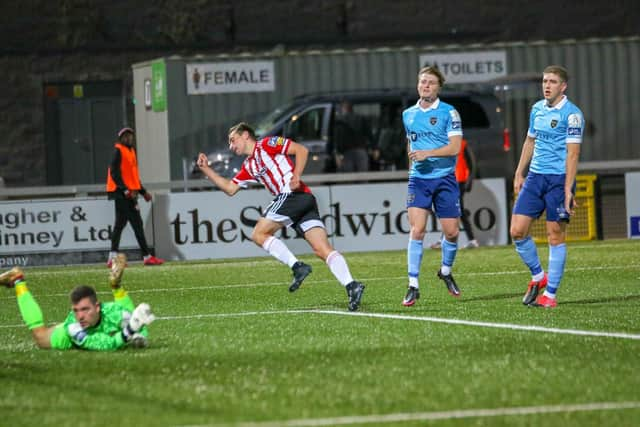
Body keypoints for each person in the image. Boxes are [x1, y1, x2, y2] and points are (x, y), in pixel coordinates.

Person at [196, 122, 365, 311]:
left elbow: (301, 150)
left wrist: (297, 175)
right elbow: (230, 188)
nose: (231, 146)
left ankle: (297, 266)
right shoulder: (249, 165)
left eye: (233, 140)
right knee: (321, 249)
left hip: (292, 195)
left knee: (258, 234)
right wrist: (207, 170)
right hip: (303, 200)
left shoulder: (267, 144)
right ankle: (352, 285)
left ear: (245, 136)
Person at [511, 65, 584, 308]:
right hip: (535, 177)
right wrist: (519, 172)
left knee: (555, 234)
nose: (546, 85)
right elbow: (530, 141)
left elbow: (573, 154)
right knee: (517, 231)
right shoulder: (537, 109)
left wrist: (567, 188)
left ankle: (550, 295)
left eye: (552, 81)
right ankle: (538, 276)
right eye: (544, 81)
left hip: (558, 180)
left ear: (563, 86)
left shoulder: (572, 115)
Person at [0, 254, 156, 350]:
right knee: (41, 338)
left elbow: (139, 325)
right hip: (65, 336)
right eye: (76, 310)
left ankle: (116, 287)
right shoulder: (73, 327)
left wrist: (138, 334)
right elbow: (103, 345)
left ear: (97, 307)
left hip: (106, 320)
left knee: (126, 319)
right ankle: (18, 281)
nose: (80, 316)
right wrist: (128, 332)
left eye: (85, 309)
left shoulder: (114, 311)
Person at [401, 66, 463, 307]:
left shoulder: (450, 112)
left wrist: (428, 153)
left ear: (438, 87)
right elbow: (411, 145)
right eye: (422, 82)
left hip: (445, 178)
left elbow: (455, 147)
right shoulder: (408, 114)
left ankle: (445, 271)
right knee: (417, 230)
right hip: (419, 179)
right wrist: (412, 168)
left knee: (452, 232)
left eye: (430, 83)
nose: (425, 86)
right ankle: (413, 285)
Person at [106, 127, 164, 267]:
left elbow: (133, 177)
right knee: (136, 224)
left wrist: (143, 192)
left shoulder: (130, 151)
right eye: (126, 136)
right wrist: (125, 190)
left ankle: (113, 257)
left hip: (130, 193)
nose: (129, 138)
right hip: (122, 193)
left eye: (130, 136)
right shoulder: (118, 151)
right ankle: (146, 256)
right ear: (121, 138)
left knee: (121, 225)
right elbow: (114, 173)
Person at [430, 138, 479, 250]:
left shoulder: (461, 143)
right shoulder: (443, 143)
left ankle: (446, 240)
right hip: (450, 180)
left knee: (453, 210)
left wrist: (470, 181)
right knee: (455, 210)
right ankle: (471, 240)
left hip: (458, 180)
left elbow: (471, 163)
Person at [333, 100, 374, 172]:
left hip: (347, 152)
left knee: (349, 176)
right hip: (361, 150)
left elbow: (338, 139)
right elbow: (369, 134)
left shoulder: (340, 121)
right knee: (363, 176)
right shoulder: (361, 118)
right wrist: (374, 148)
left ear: (344, 108)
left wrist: (337, 154)